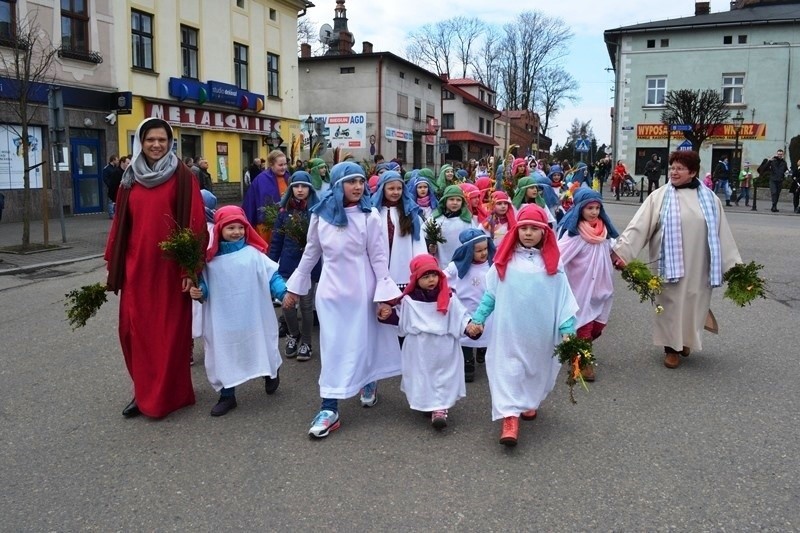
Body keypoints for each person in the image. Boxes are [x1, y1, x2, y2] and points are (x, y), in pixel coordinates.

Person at [283, 161, 402, 439]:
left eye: (361, 181)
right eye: (351, 182)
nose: (358, 187)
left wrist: (385, 297)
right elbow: (311, 253)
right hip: (331, 293)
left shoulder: (369, 216)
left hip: (363, 291)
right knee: (333, 348)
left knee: (365, 340)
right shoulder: (320, 216)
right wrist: (295, 288)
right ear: (338, 185)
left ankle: (368, 380)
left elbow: (379, 257)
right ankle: (329, 407)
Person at [104, 117, 208, 419]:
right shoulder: (129, 177)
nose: (156, 145)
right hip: (137, 267)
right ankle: (144, 390)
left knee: (167, 334)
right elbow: (121, 223)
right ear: (141, 141)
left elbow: (195, 223)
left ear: (170, 142)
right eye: (150, 139)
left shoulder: (183, 175)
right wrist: (115, 262)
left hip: (170, 270)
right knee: (133, 332)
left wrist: (190, 268)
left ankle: (166, 395)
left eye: (162, 139)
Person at [611, 151, 742, 369]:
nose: (674, 171)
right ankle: (671, 348)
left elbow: (723, 234)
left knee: (694, 302)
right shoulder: (659, 197)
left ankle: (686, 341)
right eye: (672, 167)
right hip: (668, 264)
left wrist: (735, 267)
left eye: (680, 168)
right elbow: (639, 226)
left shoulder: (711, 199)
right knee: (670, 304)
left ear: (692, 172)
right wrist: (621, 252)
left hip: (699, 264)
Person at [469, 204, 578, 447]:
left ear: (544, 233)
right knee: (509, 369)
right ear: (516, 230)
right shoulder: (504, 262)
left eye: (534, 229)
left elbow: (564, 300)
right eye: (524, 228)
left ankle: (529, 401)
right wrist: (478, 319)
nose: (528, 233)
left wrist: (568, 330)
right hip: (509, 332)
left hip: (539, 335)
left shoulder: (553, 267)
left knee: (535, 370)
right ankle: (509, 417)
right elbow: (491, 295)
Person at [189, 206, 284, 416]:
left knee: (259, 344)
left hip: (252, 314)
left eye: (240, 227)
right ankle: (227, 394)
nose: (236, 232)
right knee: (224, 351)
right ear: (219, 229)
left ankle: (269, 372)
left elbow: (272, 276)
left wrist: (283, 293)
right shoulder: (210, 262)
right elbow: (204, 285)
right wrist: (200, 292)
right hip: (223, 318)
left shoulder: (253, 255)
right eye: (230, 227)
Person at [378, 255, 478, 430]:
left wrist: (470, 328)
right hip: (419, 348)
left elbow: (461, 317)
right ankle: (427, 403)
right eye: (425, 276)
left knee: (442, 378)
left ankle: (439, 409)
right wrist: (387, 315)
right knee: (422, 377)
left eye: (434, 275)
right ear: (416, 279)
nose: (431, 279)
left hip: (443, 348)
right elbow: (401, 319)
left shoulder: (449, 298)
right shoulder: (408, 301)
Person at [557, 188, 619, 381]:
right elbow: (558, 259)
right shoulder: (574, 235)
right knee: (584, 324)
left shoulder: (604, 232)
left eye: (597, 208)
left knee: (597, 326)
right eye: (589, 208)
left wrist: (620, 261)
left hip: (602, 288)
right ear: (580, 209)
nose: (594, 212)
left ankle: (575, 348)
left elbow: (613, 250)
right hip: (580, 288)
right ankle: (583, 362)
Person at [268, 171, 320, 362]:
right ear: (291, 189)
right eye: (296, 186)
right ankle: (293, 334)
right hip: (288, 265)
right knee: (287, 304)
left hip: (310, 266)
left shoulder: (316, 211)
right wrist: (271, 264)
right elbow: (277, 241)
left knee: (306, 306)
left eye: (303, 186)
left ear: (310, 189)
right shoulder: (284, 213)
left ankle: (306, 341)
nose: (300, 190)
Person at [443, 228, 496, 383]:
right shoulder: (456, 266)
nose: (483, 253)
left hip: (487, 310)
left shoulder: (492, 265)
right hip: (465, 309)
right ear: (468, 250)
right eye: (478, 250)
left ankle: (482, 351)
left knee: (487, 334)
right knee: (465, 337)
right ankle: (467, 361)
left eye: (485, 249)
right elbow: (443, 277)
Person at [372, 170, 427, 289]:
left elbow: (418, 242)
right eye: (391, 189)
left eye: (399, 188)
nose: (396, 192)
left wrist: (421, 266)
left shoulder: (409, 213)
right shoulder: (374, 213)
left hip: (403, 268)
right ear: (383, 189)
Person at [242, 149, 290, 239]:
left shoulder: (288, 177)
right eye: (280, 165)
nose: (284, 167)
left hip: (286, 223)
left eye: (285, 164)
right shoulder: (261, 179)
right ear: (271, 165)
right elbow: (251, 202)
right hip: (266, 227)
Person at [429, 185, 478, 268]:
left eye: (458, 200)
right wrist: (429, 245)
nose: (455, 202)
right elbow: (424, 235)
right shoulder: (435, 219)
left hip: (461, 263)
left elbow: (475, 240)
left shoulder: (467, 221)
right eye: (451, 199)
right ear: (445, 201)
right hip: (440, 263)